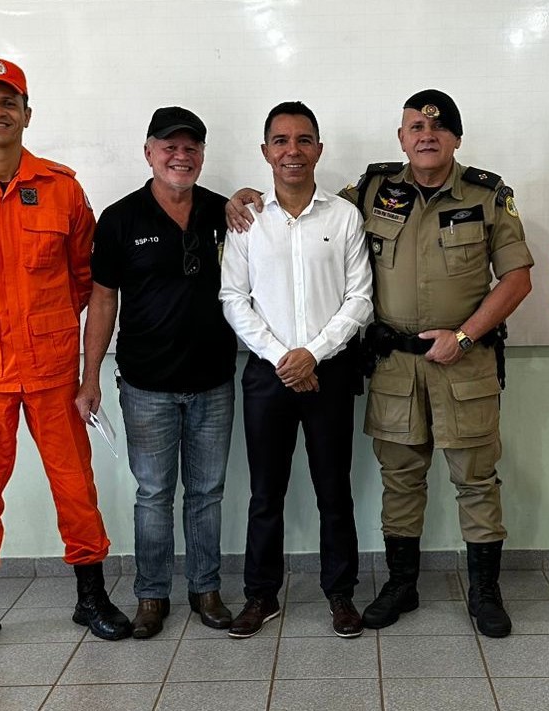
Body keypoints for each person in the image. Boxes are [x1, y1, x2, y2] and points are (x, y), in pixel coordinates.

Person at [227, 90, 533, 638]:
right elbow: (297, 195)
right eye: (414, 126)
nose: (426, 135)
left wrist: (464, 336)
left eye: (438, 128)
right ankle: (401, 584)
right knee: (401, 479)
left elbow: (516, 278)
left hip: (462, 362)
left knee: (476, 479)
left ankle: (485, 592)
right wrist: (241, 195)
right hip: (394, 365)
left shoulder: (488, 196)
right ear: (401, 138)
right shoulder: (370, 191)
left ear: (456, 138)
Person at [0, 58, 130, 661]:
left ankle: (90, 597)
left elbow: (84, 276)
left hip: (52, 369)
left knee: (75, 486)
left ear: (27, 114)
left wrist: (43, 325)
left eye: (8, 101)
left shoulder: (62, 188)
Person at [75, 107, 237, 638]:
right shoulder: (120, 219)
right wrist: (90, 375)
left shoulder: (225, 212)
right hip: (145, 385)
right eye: (169, 146)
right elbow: (102, 301)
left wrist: (252, 197)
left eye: (191, 147)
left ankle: (206, 589)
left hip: (214, 380)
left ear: (202, 156)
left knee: (208, 491)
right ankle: (151, 596)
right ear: (149, 152)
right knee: (153, 494)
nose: (180, 156)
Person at [220, 101, 373, 639]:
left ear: (319, 149)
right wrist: (282, 356)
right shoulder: (247, 220)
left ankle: (341, 595)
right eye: (281, 141)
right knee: (266, 492)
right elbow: (233, 297)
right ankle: (261, 596)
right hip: (267, 374)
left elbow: (360, 298)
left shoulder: (344, 216)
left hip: (328, 372)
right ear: (265, 152)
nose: (293, 151)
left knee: (335, 489)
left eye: (303, 140)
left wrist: (314, 353)